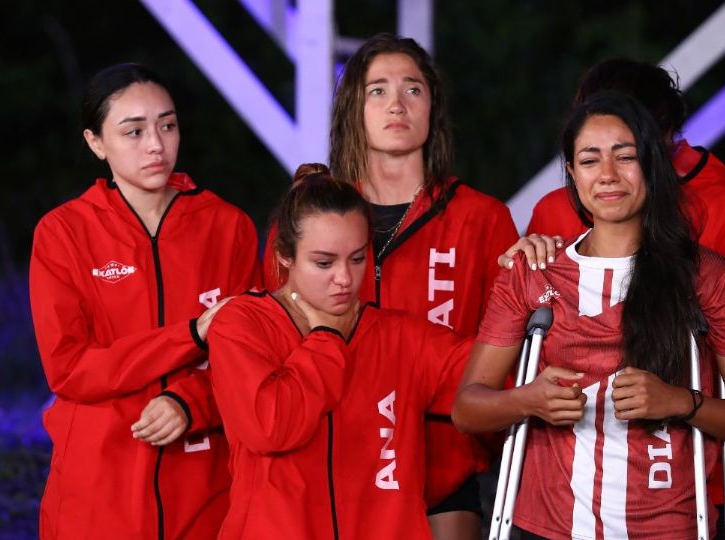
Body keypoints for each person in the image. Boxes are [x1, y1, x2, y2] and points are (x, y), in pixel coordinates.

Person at [453, 91, 725, 539]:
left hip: (667, 525)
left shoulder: (706, 276)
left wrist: (681, 402)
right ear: (571, 172)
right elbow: (467, 409)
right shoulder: (532, 272)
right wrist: (528, 400)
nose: (607, 176)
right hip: (547, 526)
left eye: (624, 157)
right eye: (589, 161)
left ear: (652, 165)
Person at [262, 33, 519, 538]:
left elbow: (506, 357)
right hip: (330, 467)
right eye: (377, 90)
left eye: (413, 89)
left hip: (443, 473)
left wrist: (475, 443)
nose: (396, 104)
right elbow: (271, 344)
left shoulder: (482, 219)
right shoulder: (308, 219)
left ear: (433, 108)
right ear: (352, 108)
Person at [29, 63, 260, 539]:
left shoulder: (228, 226)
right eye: (133, 131)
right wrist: (191, 334)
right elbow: (68, 367)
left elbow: (252, 361)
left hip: (203, 485)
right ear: (95, 143)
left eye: (167, 125)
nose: (156, 144)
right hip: (96, 489)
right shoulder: (63, 233)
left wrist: (191, 403)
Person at [208, 164, 473, 539]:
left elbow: (493, 374)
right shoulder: (242, 324)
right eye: (324, 262)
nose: (345, 279)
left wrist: (528, 288)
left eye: (357, 258)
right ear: (285, 255)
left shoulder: (398, 335)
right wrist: (327, 338)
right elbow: (270, 427)